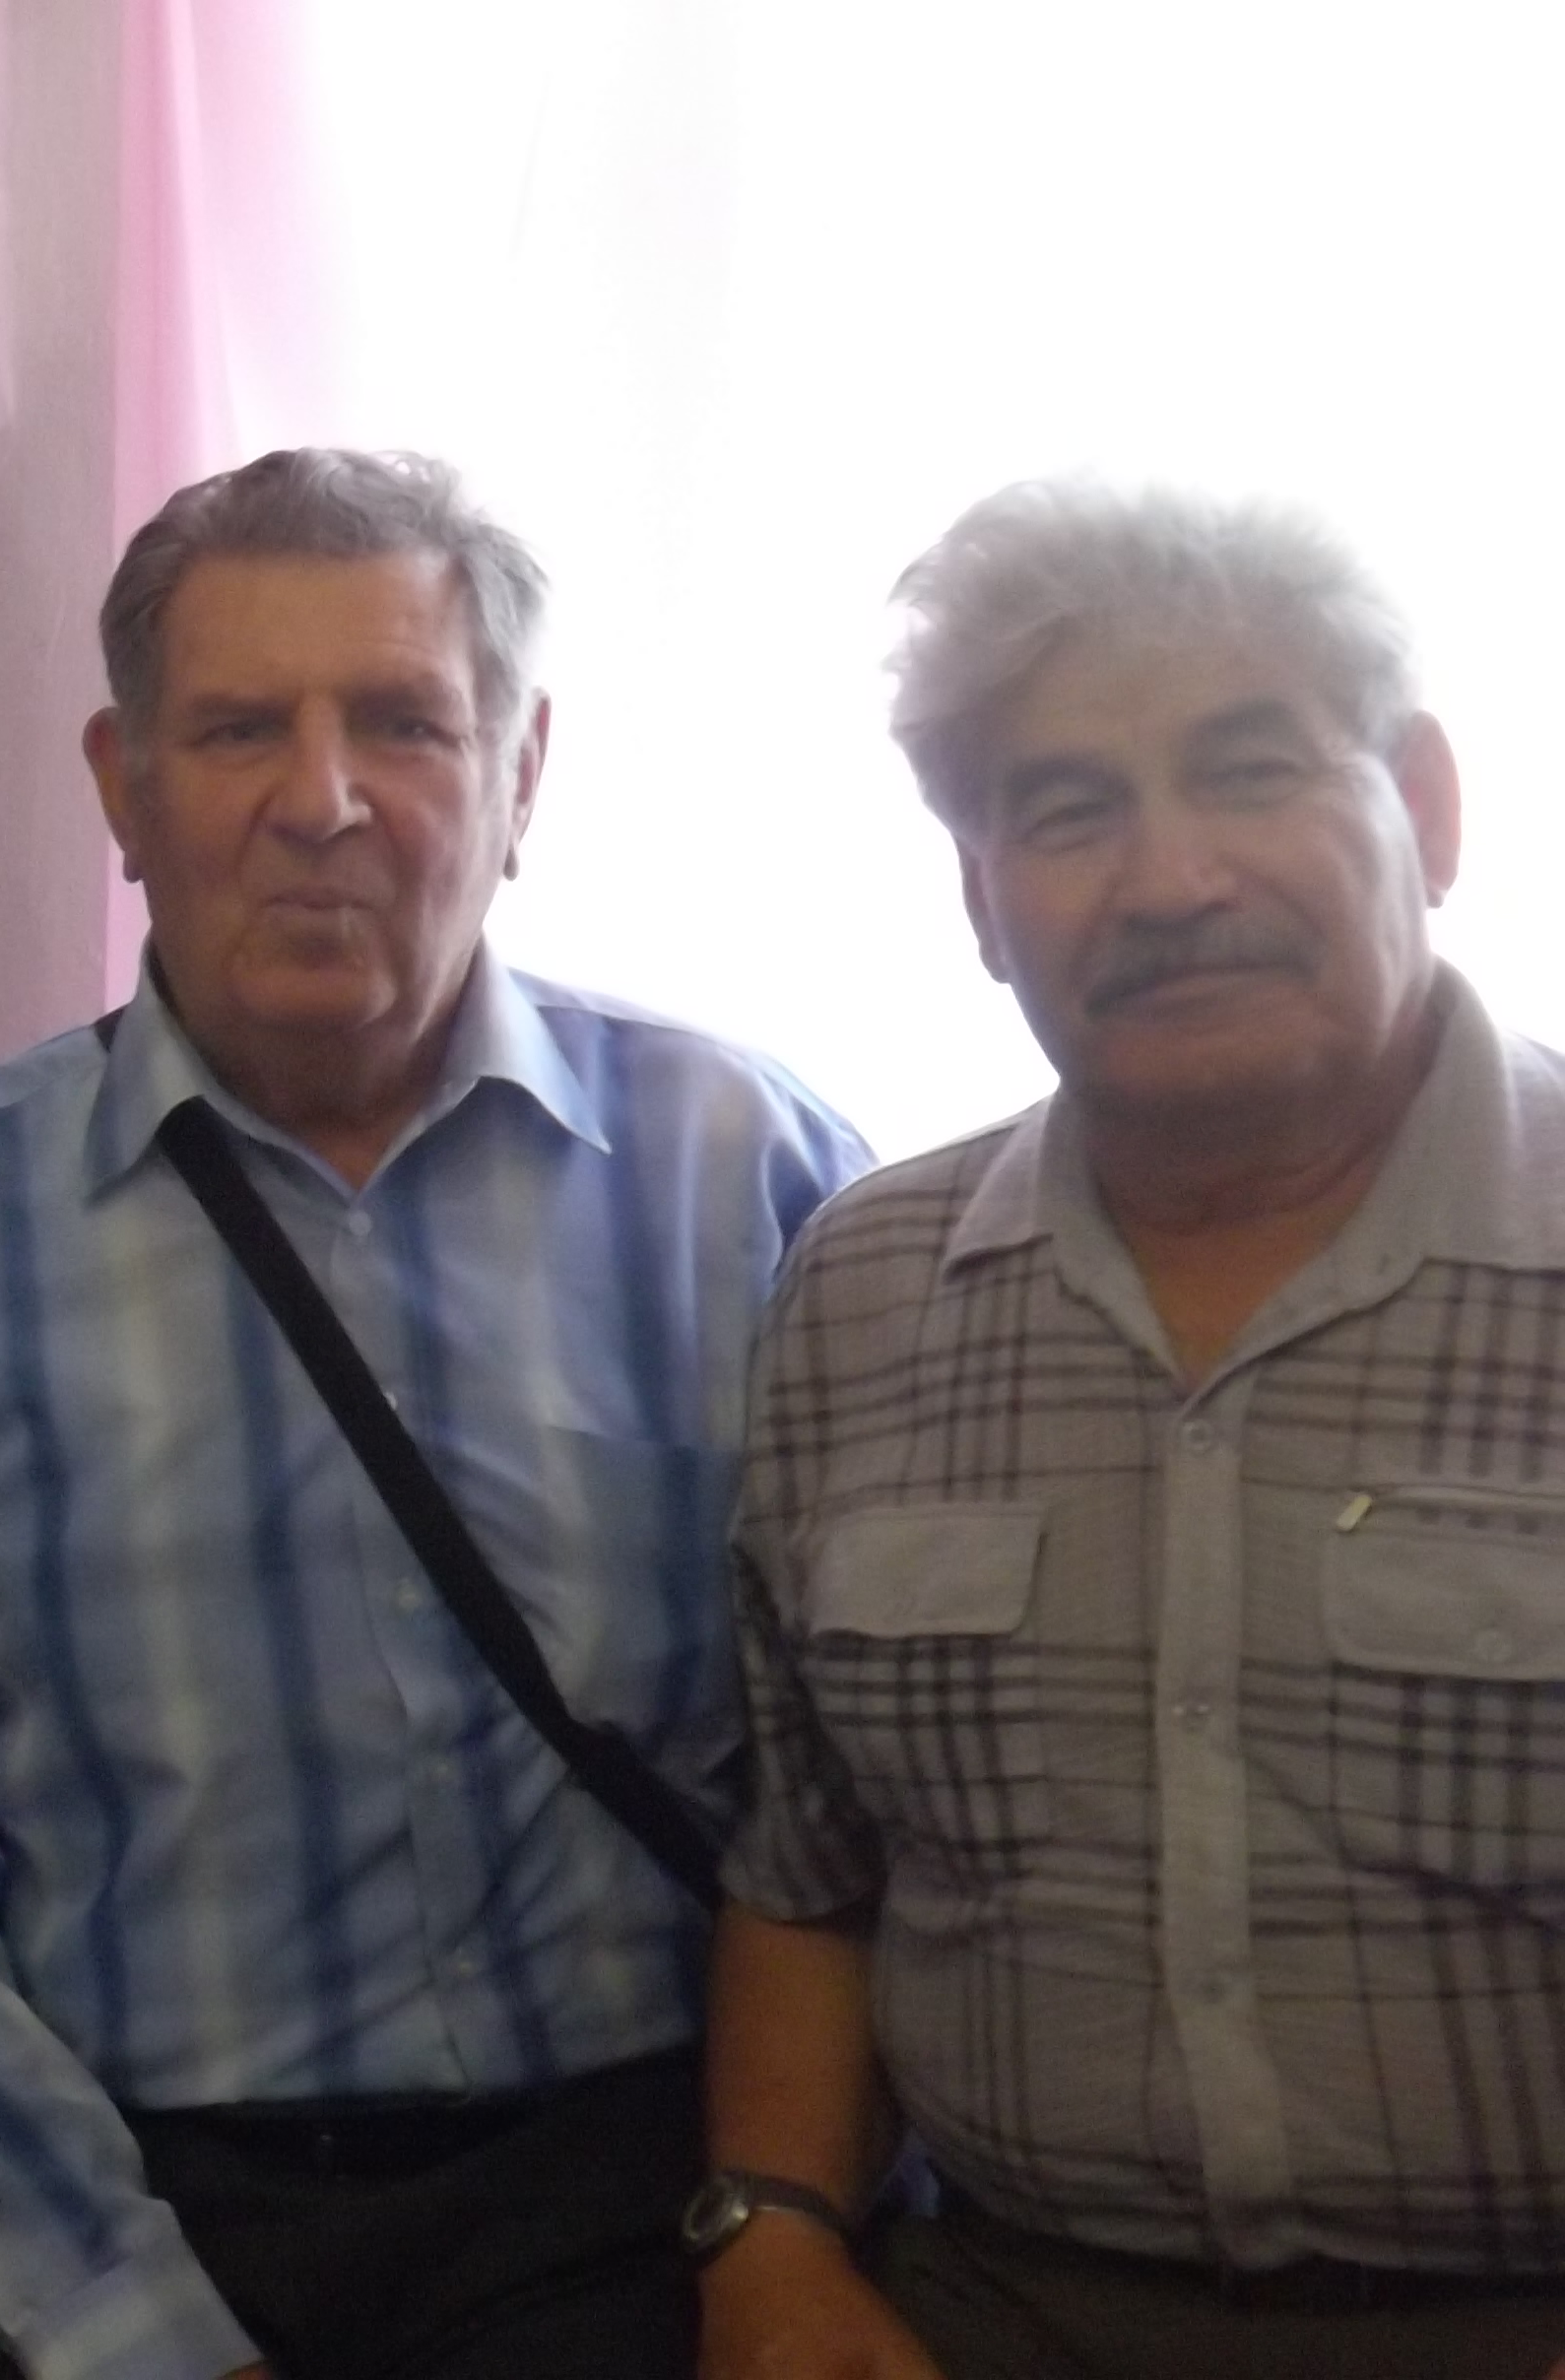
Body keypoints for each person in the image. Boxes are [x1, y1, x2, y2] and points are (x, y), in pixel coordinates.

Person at [0, 447, 872, 2380]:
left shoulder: (744, 1171)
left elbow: (869, 1781)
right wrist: (131, 2329)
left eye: (402, 723)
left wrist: (790, 2217)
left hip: (636, 2200)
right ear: (121, 788)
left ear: (521, 774)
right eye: (235, 730)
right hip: (108, 2186)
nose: (320, 800)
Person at [700, 483, 1565, 2380]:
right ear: (980, 900)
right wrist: (770, 2246)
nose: (1169, 882)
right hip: (991, 2313)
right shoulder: (863, 1287)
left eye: (1248, 772)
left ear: (1427, 808)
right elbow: (811, 1870)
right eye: (1069, 811)